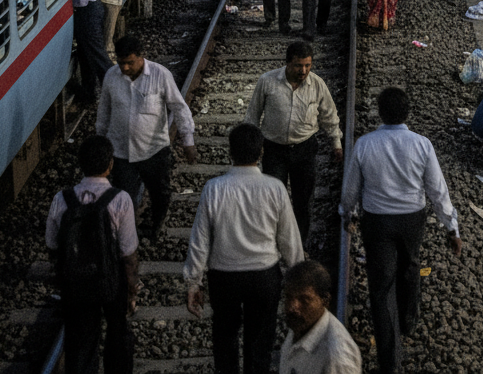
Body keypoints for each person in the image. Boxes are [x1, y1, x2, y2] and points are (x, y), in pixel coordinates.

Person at [340, 88, 461, 374]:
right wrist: (451, 227)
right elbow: (437, 190)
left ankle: (389, 359)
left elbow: (350, 190)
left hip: (377, 221)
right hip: (412, 219)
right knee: (411, 265)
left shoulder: (365, 144)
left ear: (380, 113)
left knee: (381, 289)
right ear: (407, 114)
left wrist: (349, 214)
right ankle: (409, 319)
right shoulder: (422, 144)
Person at [184, 123, 304, 374]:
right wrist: (298, 280)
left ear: (230, 152)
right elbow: (289, 239)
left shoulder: (213, 189)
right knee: (260, 343)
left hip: (224, 277)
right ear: (261, 152)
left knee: (225, 338)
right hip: (264, 276)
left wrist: (193, 281)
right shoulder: (275, 188)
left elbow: (200, 240)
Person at [46, 134, 138, 374]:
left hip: (75, 283)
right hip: (111, 280)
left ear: (81, 164)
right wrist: (131, 289)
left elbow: (52, 245)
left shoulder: (61, 199)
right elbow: (128, 254)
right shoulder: (121, 200)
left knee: (80, 342)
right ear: (110, 164)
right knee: (117, 334)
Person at [96, 34, 197, 239]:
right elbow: (104, 112)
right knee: (124, 196)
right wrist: (100, 144)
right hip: (121, 151)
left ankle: (156, 225)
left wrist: (188, 141)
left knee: (160, 193)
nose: (124, 68)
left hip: (154, 150)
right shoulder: (111, 77)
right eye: (121, 63)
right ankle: (127, 235)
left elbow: (179, 107)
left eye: (130, 63)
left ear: (141, 57)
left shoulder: (161, 75)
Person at [245, 42, 342, 243]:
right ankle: (272, 242)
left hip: (305, 149)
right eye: (299, 65)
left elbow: (329, 116)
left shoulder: (317, 85)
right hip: (273, 149)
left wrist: (336, 144)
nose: (303, 71)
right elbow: (252, 116)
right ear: (287, 63)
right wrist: (252, 150)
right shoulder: (267, 81)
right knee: (272, 199)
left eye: (308, 65)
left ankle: (299, 244)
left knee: (303, 201)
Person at [279, 260, 362, 374]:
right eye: (289, 297)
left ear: (325, 301)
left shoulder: (337, 356)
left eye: (304, 300)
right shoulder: (301, 326)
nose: (292, 307)